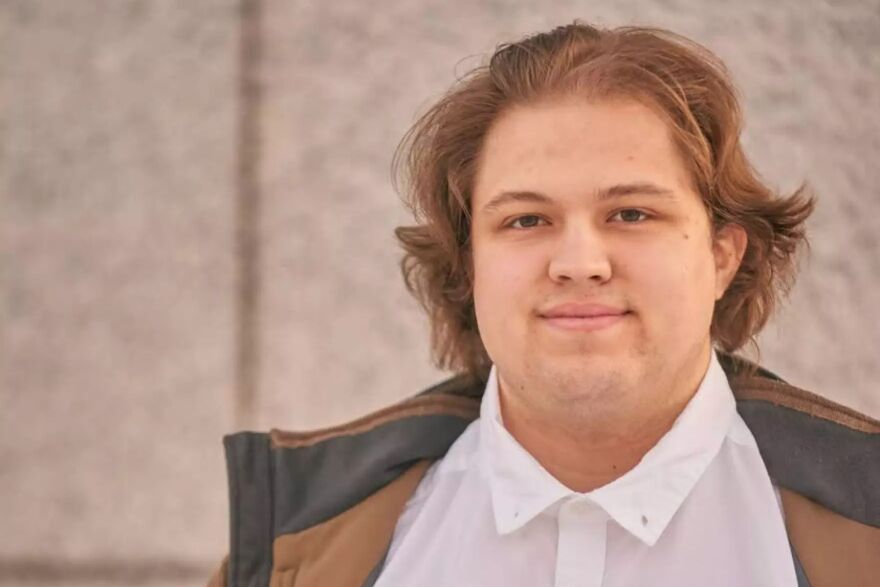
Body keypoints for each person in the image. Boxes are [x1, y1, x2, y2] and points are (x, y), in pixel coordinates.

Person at [208, 22, 879, 587]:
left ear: (722, 257)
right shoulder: (297, 544)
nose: (580, 262)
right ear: (469, 266)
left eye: (631, 212)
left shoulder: (864, 521)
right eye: (526, 220)